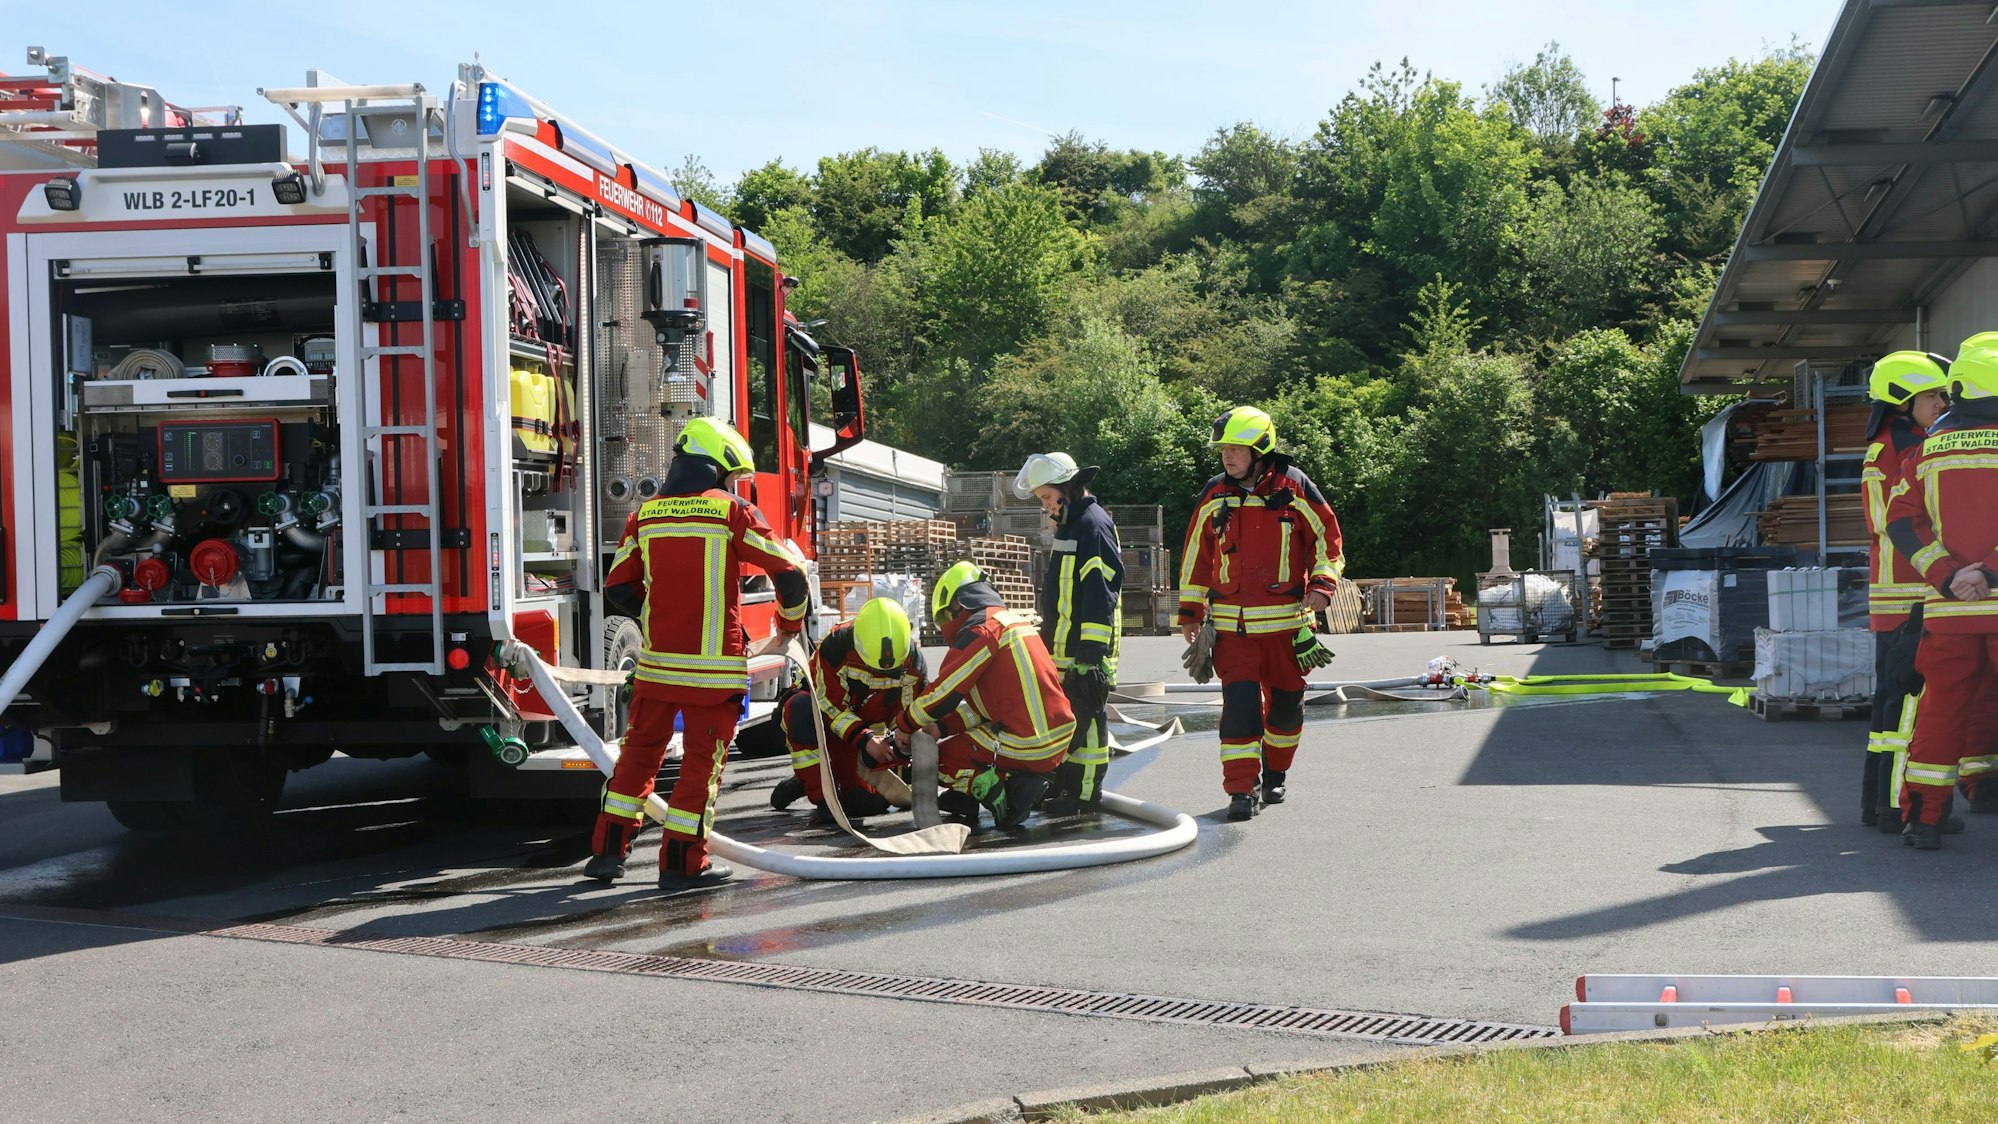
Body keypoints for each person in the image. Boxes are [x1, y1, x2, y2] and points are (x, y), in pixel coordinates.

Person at [584, 417, 811, 889]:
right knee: (698, 771)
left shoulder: (644, 515)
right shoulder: (732, 512)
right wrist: (789, 628)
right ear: (718, 467)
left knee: (637, 760)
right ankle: (683, 865)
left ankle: (606, 856)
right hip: (714, 675)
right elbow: (790, 574)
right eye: (732, 478)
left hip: (657, 671)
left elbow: (618, 589)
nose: (734, 485)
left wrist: (658, 616)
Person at [1178, 406, 1343, 822]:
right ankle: (1241, 789)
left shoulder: (1295, 486)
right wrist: (1190, 612)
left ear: (1260, 448)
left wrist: (1321, 586)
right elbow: (1196, 554)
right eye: (1223, 450)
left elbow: (1328, 540)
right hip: (1233, 630)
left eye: (1235, 448)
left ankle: (1275, 773)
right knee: (1240, 708)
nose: (1227, 457)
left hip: (1290, 628)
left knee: (1287, 709)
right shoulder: (1215, 493)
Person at [1885, 333, 1998, 850]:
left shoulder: (1927, 450)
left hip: (1950, 610)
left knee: (1941, 708)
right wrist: (1988, 573)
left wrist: (1950, 577)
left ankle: (1924, 819)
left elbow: (1903, 525)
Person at [880, 560, 1075, 830]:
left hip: (1028, 743)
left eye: (943, 617)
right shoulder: (1010, 622)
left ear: (957, 605)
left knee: (940, 759)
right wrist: (942, 726)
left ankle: (1009, 797)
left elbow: (944, 692)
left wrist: (905, 724)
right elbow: (983, 709)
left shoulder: (982, 630)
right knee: (968, 742)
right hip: (1056, 739)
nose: (943, 625)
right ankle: (970, 796)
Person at [1860, 351, 1950, 832]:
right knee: (1904, 704)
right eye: (1933, 394)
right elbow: (1892, 523)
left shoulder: (1896, 442)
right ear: (1903, 398)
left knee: (1890, 706)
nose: (1941, 401)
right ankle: (1896, 808)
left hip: (1899, 593)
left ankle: (1879, 805)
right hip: (1910, 595)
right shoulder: (1899, 448)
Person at [1015, 451, 1123, 814]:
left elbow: (1099, 593)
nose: (1046, 506)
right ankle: (1064, 786)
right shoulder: (1072, 525)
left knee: (1089, 720)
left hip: (1084, 652)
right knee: (1066, 719)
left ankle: (1086, 794)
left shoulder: (1093, 524)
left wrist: (1091, 658)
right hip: (1063, 650)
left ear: (1067, 488)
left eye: (1047, 497)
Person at [771, 597, 922, 826]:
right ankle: (822, 796)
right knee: (799, 709)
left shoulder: (913, 663)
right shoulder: (836, 646)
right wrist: (866, 739)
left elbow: (908, 715)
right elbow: (829, 704)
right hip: (827, 724)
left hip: (861, 736)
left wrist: (899, 743)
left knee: (866, 805)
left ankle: (816, 780)